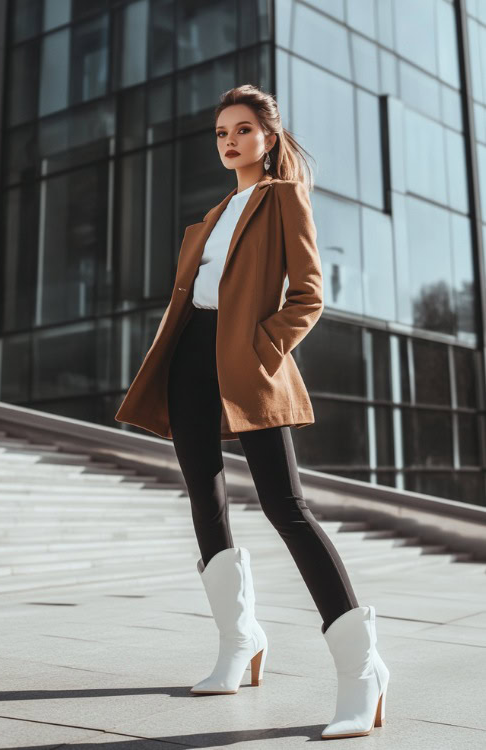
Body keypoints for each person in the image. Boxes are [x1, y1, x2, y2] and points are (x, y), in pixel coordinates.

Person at [125, 85, 390, 739]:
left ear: (268, 138)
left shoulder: (282, 198)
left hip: (248, 361)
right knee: (203, 497)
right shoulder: (213, 214)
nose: (231, 141)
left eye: (243, 129)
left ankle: (363, 671)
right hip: (190, 355)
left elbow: (308, 293)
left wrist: (264, 344)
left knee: (286, 507)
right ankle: (238, 642)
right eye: (221, 132)